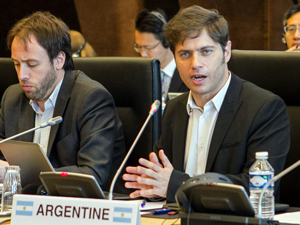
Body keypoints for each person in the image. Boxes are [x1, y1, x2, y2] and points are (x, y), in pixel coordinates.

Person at [123, 5, 290, 203]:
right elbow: (161, 179)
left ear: (226, 51)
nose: (195, 64)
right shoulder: (174, 109)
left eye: (206, 51)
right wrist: (150, 184)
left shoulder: (264, 109)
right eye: (185, 54)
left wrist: (177, 185)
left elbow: (257, 189)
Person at [0, 11, 126, 192]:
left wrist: (16, 174)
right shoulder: (12, 98)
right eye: (17, 64)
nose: (22, 75)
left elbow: (92, 174)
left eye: (32, 64)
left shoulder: (91, 99)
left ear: (59, 60)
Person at [134, 9, 189, 107]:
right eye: (139, 47)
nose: (143, 54)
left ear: (166, 41)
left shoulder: (188, 71)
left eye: (148, 48)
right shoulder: (139, 74)